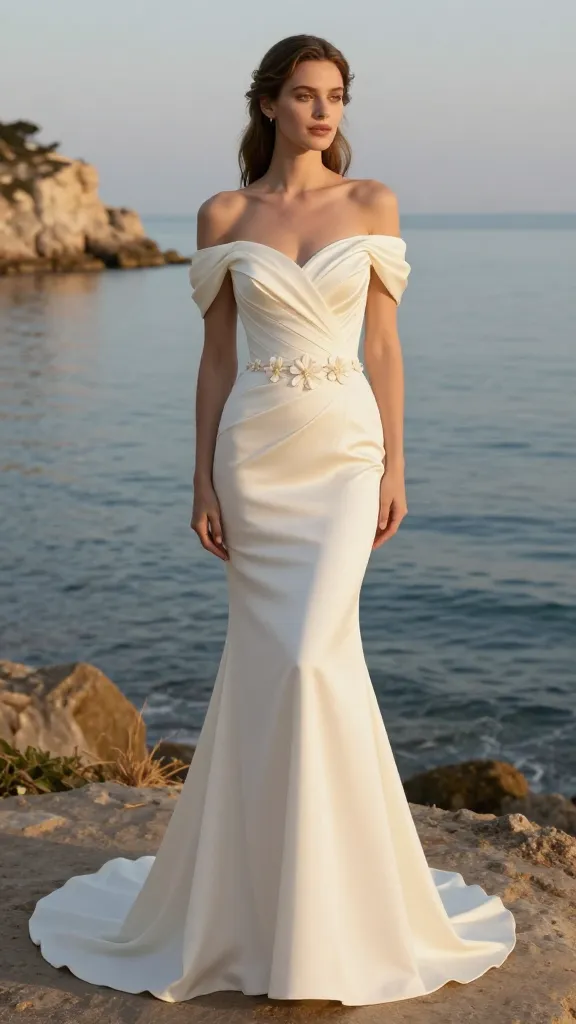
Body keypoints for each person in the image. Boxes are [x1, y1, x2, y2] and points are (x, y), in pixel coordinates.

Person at [28, 34, 516, 1007]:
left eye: (335, 95)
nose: (323, 111)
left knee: (311, 654)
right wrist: (200, 476)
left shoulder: (372, 203)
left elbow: (384, 346)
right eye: (303, 95)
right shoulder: (224, 212)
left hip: (342, 452)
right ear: (267, 105)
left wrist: (396, 464)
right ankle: (250, 901)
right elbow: (215, 359)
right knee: (270, 660)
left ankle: (340, 904)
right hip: (254, 453)